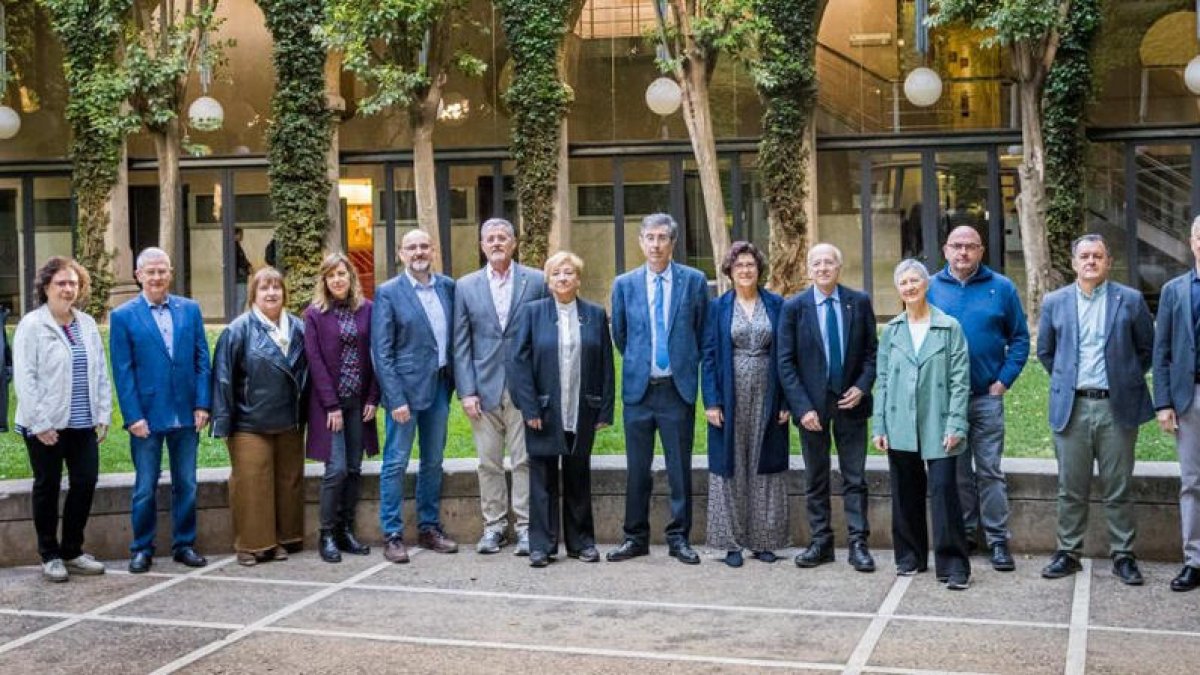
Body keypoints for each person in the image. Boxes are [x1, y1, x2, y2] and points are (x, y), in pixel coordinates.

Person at [1039, 234, 1154, 585]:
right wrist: (1067, 379)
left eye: (1098, 256)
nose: (1091, 261)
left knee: (1118, 486)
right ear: (1074, 263)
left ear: (1108, 262)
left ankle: (1123, 555)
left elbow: (1145, 349)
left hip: (1115, 407)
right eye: (1084, 256)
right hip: (1072, 407)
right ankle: (1068, 552)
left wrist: (1123, 378)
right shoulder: (1055, 302)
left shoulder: (1130, 300)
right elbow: (1046, 351)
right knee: (1069, 486)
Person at [608, 213, 709, 565]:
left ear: (673, 242)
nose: (655, 244)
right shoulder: (624, 284)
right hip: (639, 391)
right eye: (649, 237)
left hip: (676, 390)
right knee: (638, 468)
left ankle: (679, 537)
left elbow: (701, 332)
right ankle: (634, 537)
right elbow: (620, 335)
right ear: (640, 242)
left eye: (662, 237)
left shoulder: (694, 282)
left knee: (679, 467)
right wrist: (641, 362)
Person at [927, 226, 1029, 571]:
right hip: (945, 402)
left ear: (981, 250)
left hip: (986, 397)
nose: (963, 253)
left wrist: (1003, 381)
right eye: (957, 246)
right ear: (945, 250)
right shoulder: (929, 288)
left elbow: (1020, 339)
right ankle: (967, 533)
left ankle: (998, 540)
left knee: (989, 471)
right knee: (957, 472)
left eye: (971, 247)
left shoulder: (1001, 288)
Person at [508, 251, 614, 567]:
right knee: (541, 477)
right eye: (557, 274)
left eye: (569, 273)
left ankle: (582, 543)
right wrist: (529, 409)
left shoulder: (594, 315)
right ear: (548, 280)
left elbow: (606, 365)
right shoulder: (532, 313)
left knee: (578, 475)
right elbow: (518, 363)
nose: (563, 278)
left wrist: (604, 410)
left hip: (582, 407)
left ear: (578, 279)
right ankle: (541, 546)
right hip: (542, 410)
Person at [109, 247, 212, 574]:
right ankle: (142, 548)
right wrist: (132, 416)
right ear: (138, 275)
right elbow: (122, 372)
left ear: (170, 273)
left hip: (186, 412)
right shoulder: (123, 316)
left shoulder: (190, 310)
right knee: (145, 486)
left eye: (162, 271)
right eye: (150, 272)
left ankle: (184, 544)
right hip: (146, 417)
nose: (156, 277)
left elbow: (202, 361)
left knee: (187, 483)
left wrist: (203, 403)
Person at [777, 242, 878, 572]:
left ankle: (858, 544)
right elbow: (786, 363)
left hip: (851, 405)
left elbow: (871, 355)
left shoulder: (858, 303)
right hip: (812, 411)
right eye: (816, 263)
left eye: (829, 263)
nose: (822, 268)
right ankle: (821, 542)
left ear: (839, 267)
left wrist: (862, 387)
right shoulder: (794, 309)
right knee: (815, 478)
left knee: (855, 478)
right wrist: (802, 407)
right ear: (809, 269)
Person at [872, 259, 972, 590]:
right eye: (904, 282)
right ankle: (910, 556)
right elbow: (882, 381)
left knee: (944, 492)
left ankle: (954, 564)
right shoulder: (893, 330)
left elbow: (960, 379)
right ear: (898, 289)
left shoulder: (949, 326)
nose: (910, 286)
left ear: (926, 284)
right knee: (905, 492)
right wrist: (880, 426)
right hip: (900, 420)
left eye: (915, 280)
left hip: (939, 420)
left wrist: (956, 423)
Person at [452, 218, 547, 556]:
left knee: (524, 460)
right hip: (483, 387)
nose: (496, 243)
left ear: (514, 243)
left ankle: (525, 528)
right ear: (481, 245)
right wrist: (466, 390)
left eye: (502, 238)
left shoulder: (536, 280)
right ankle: (494, 527)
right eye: (490, 238)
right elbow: (460, 343)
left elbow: (544, 335)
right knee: (488, 462)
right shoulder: (465, 286)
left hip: (525, 387)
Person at [13, 257, 111, 582]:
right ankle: (49, 554)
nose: (68, 289)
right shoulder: (31, 325)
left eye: (73, 283)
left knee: (85, 482)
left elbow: (99, 370)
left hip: (82, 421)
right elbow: (25, 379)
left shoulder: (85, 323)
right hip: (46, 424)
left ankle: (72, 550)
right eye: (61, 283)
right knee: (48, 486)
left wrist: (103, 412)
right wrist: (39, 423)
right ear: (45, 287)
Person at [211, 267, 309, 566]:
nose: (271, 293)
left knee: (287, 482)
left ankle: (279, 539)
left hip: (289, 420)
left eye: (276, 288)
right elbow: (223, 379)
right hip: (249, 422)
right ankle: (250, 545)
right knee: (252, 484)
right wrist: (223, 422)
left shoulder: (298, 327)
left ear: (284, 293)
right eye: (264, 288)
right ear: (253, 294)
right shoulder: (237, 330)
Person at [373, 229, 459, 563]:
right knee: (395, 462)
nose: (419, 251)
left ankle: (429, 528)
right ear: (401, 253)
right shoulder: (389, 292)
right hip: (404, 393)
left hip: (439, 387)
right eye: (412, 247)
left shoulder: (448, 287)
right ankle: (392, 534)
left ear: (434, 250)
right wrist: (395, 399)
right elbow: (382, 352)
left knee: (433, 461)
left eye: (425, 245)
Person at [701, 241, 789, 568]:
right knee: (731, 465)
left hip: (769, 393)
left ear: (759, 269)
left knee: (765, 465)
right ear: (730, 271)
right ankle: (732, 543)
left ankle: (765, 540)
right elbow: (708, 357)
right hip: (730, 392)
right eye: (739, 266)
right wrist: (711, 401)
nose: (745, 270)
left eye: (751, 265)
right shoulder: (718, 308)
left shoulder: (777, 305)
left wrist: (785, 402)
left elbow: (785, 354)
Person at [303, 252, 380, 564]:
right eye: (331, 275)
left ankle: (347, 530)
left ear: (351, 278)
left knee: (353, 468)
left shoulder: (368, 310)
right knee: (335, 469)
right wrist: (331, 405)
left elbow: (377, 356)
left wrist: (374, 398)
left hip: (359, 404)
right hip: (329, 406)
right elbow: (315, 362)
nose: (338, 280)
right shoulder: (314, 315)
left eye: (342, 274)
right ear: (324, 280)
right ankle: (327, 533)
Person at [1153, 216, 1200, 592]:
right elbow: (1162, 350)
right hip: (1190, 397)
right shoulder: (1174, 290)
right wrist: (1163, 402)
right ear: (1193, 241)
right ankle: (1194, 559)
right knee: (1193, 482)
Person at [235, 228, 253, 311]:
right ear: (236, 235)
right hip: (239, 276)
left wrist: (248, 265)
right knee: (241, 297)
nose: (242, 236)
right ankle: (238, 317)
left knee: (241, 298)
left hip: (240, 275)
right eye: (241, 234)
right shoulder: (234, 247)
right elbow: (240, 261)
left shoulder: (237, 246)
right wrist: (247, 267)